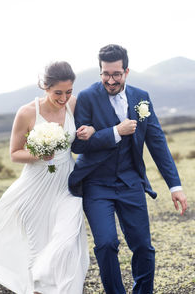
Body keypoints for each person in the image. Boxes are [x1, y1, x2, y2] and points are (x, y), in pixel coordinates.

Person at [68, 44, 187, 294]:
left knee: (143, 247)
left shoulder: (141, 97)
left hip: (131, 181)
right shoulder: (87, 97)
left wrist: (175, 186)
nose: (110, 80)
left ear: (127, 71)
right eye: (105, 74)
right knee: (106, 244)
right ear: (100, 71)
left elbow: (157, 144)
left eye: (116, 74)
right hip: (96, 184)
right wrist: (114, 132)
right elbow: (78, 144)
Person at [0, 61, 95, 294]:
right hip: (35, 187)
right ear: (45, 87)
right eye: (57, 92)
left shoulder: (73, 104)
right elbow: (14, 154)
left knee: (67, 241)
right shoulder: (27, 112)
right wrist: (38, 153)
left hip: (67, 184)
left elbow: (87, 130)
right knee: (38, 249)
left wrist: (89, 130)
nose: (63, 97)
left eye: (68, 91)